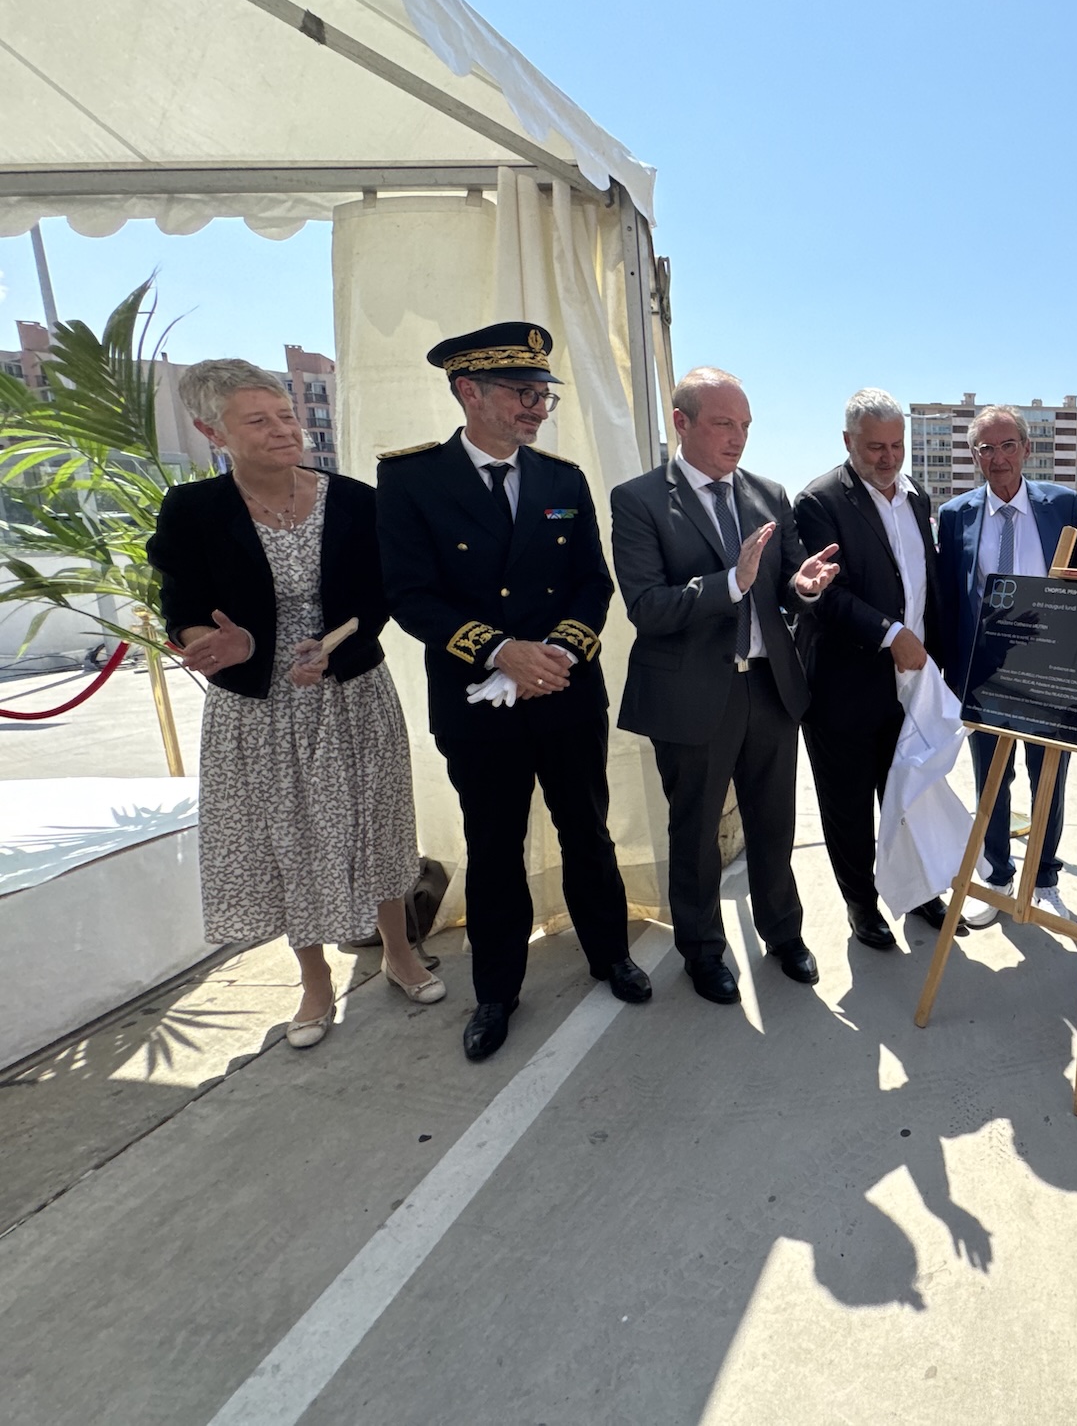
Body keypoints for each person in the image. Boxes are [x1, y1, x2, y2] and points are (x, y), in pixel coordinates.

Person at [377, 323, 649, 1062]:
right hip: (476, 703)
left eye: (543, 395)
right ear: (470, 391)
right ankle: (497, 992)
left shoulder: (563, 481)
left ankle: (609, 956)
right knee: (493, 847)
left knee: (587, 832)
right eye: (523, 394)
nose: (538, 408)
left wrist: (554, 655)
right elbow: (409, 595)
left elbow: (594, 584)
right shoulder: (410, 480)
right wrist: (499, 651)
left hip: (563, 692)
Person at [149, 358, 439, 1050]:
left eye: (286, 414)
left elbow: (382, 597)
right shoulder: (191, 512)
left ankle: (397, 950)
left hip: (350, 690)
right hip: (257, 707)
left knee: (377, 820)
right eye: (260, 421)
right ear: (209, 430)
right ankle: (313, 982)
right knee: (288, 841)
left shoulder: (355, 500)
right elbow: (183, 607)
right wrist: (223, 642)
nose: (285, 429)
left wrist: (339, 642)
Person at [609, 367, 840, 1004]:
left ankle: (783, 935)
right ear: (681, 423)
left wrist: (805, 585)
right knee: (697, 833)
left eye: (744, 426)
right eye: (722, 425)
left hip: (768, 688)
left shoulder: (768, 493)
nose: (737, 439)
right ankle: (703, 952)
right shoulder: (639, 500)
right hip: (690, 699)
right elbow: (647, 607)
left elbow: (791, 579)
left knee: (774, 825)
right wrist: (729, 584)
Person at [793, 388, 948, 947]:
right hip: (846, 688)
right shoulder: (819, 501)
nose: (888, 458)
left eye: (896, 445)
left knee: (908, 794)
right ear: (847, 442)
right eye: (875, 447)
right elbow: (828, 598)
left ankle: (919, 890)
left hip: (912, 685)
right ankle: (863, 905)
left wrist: (937, 658)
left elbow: (926, 588)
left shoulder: (917, 498)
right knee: (851, 806)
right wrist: (891, 635)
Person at [935, 405, 1077, 927]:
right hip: (984, 671)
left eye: (1006, 446)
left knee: (1049, 774)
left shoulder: (1064, 505)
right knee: (990, 779)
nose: (996, 458)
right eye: (985, 448)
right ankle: (997, 874)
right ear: (974, 454)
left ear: (1026, 448)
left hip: (1049, 669)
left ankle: (1043, 876)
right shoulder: (956, 514)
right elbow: (952, 598)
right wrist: (954, 674)